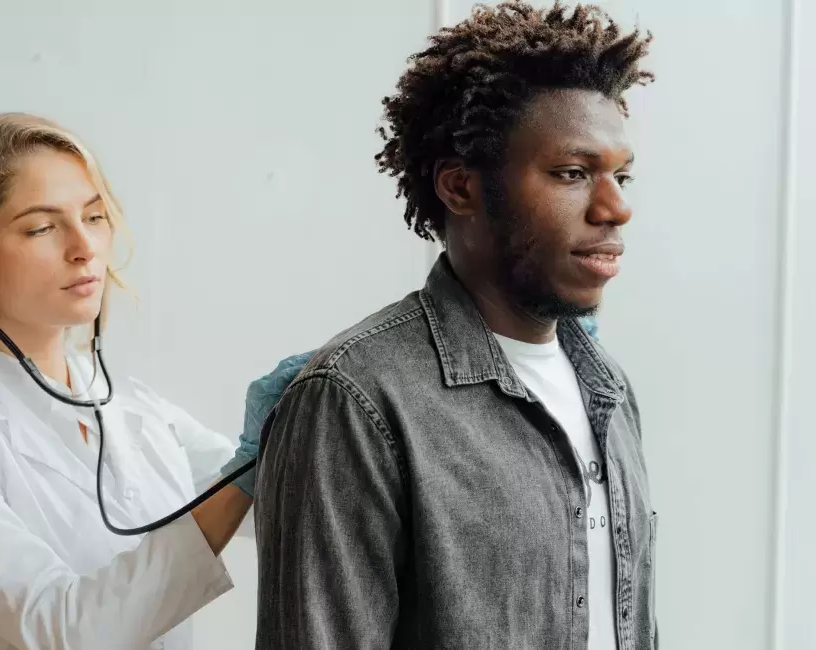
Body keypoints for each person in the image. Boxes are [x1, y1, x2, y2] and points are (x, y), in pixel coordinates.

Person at [252, 2, 657, 649]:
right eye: (573, 174)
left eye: (622, 174)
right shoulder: (356, 402)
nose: (616, 207)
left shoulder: (606, 387)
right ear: (460, 187)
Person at [0, 112, 307, 650]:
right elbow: (65, 627)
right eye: (42, 227)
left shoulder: (133, 409)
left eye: (95, 217)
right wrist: (247, 467)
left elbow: (286, 503)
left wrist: (316, 418)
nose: (85, 247)